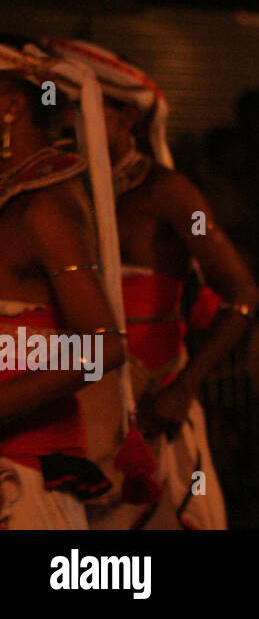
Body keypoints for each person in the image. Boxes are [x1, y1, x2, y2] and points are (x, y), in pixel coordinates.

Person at [47, 38, 259, 530]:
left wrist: (184, 387)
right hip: (77, 409)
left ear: (128, 118)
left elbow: (243, 293)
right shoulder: (55, 193)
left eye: (86, 109)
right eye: (65, 109)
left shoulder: (169, 194)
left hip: (152, 405)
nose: (67, 122)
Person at [0, 38, 126, 529]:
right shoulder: (14, 200)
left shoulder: (46, 207)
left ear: (11, 107)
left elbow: (104, 347)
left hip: (23, 477)